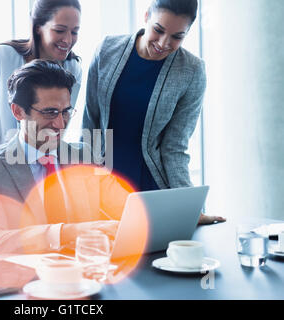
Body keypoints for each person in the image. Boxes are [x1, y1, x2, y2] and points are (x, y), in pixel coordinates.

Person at [0, 60, 131, 257]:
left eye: (66, 112)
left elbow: (128, 210)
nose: (60, 124)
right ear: (18, 111)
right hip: (24, 282)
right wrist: (65, 233)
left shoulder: (83, 155)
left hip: (87, 275)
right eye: (50, 112)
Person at [82, 0, 225, 225]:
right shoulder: (107, 49)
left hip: (153, 190)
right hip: (102, 186)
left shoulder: (192, 71)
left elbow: (175, 146)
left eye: (177, 37)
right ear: (147, 15)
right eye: (158, 30)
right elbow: (90, 124)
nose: (163, 43)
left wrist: (189, 207)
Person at [0, 0, 82, 158]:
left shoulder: (73, 69)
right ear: (38, 27)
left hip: (39, 167)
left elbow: (58, 128)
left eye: (74, 32)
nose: (68, 40)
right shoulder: (2, 57)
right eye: (59, 30)